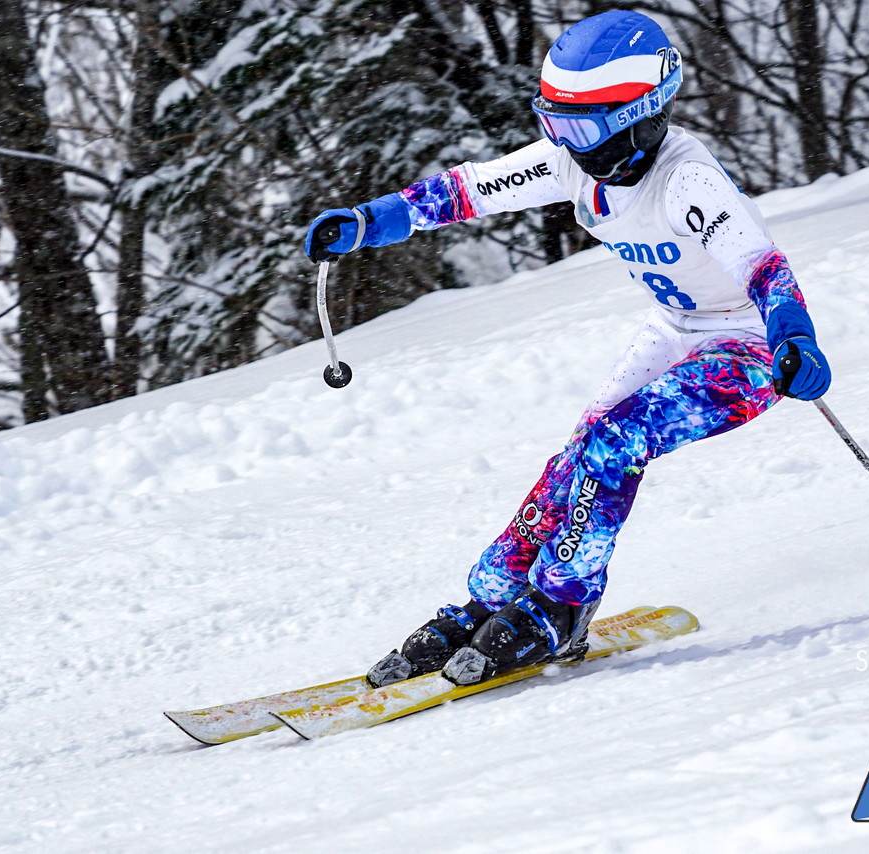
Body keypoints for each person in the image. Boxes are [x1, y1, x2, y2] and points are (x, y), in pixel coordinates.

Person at [303, 9, 831, 687]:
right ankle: (490, 600)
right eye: (554, 124)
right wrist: (368, 222)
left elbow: (763, 267)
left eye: (582, 129)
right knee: (579, 457)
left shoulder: (687, 180)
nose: (568, 146)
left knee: (615, 442)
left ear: (643, 114)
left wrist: (796, 338)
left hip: (751, 349)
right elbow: (468, 190)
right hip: (676, 326)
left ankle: (561, 606)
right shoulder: (570, 161)